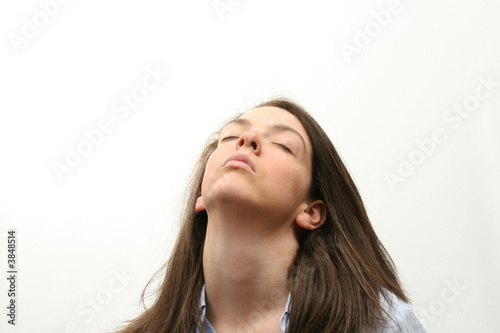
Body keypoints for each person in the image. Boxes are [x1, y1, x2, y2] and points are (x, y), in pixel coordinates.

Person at [115, 98, 426, 333]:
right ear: (201, 198)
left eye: (282, 144)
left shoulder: (379, 324)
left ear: (311, 211)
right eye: (229, 137)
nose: (246, 141)